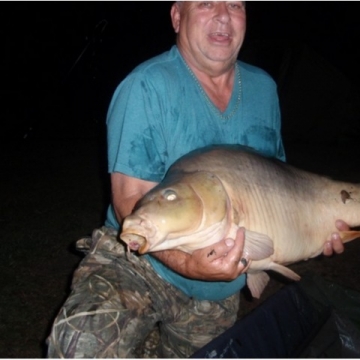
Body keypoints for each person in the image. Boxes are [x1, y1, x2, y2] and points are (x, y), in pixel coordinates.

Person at [47, 1, 346, 358]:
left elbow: (278, 183)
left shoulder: (263, 88)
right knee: (80, 344)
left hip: (219, 287)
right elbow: (130, 199)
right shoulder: (145, 87)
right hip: (139, 263)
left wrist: (315, 228)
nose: (223, 15)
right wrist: (190, 264)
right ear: (177, 17)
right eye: (206, 2)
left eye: (235, 4)